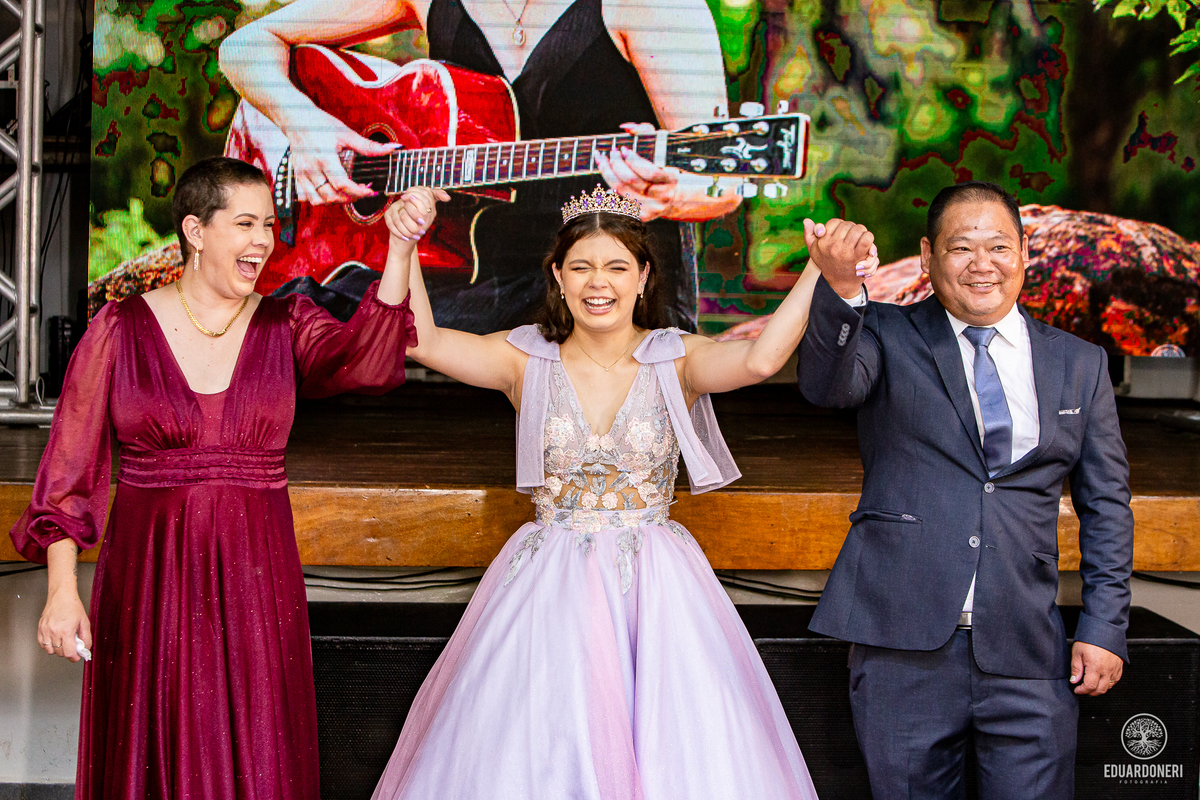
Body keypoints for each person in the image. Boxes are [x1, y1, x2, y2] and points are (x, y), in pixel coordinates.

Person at [366, 184, 877, 798]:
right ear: (558, 276)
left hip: (656, 588)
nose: (596, 283)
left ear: (643, 277)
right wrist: (403, 246)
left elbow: (761, 361)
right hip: (547, 586)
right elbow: (420, 339)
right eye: (580, 267)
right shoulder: (525, 358)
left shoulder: (675, 358)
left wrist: (815, 273)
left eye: (615, 267)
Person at [12, 157, 433, 799]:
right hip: (149, 585)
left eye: (268, 223)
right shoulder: (118, 331)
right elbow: (66, 477)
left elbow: (366, 362)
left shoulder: (288, 322)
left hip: (255, 582)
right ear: (195, 230)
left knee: (255, 747)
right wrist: (63, 592)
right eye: (245, 223)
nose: (264, 239)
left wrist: (399, 249)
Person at [797, 181, 1134, 799]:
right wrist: (843, 290)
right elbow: (827, 386)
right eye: (961, 248)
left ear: (1025, 253)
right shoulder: (887, 333)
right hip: (903, 646)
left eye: (999, 247)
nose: (982, 265)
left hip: (1030, 650)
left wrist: (1104, 626)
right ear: (927, 256)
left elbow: (1106, 505)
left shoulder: (1080, 364)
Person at [218, 0, 741, 332]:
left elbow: (724, 179)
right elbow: (245, 45)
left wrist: (673, 196)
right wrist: (301, 122)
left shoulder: (654, 7)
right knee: (288, 320)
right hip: (465, 275)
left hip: (605, 287)